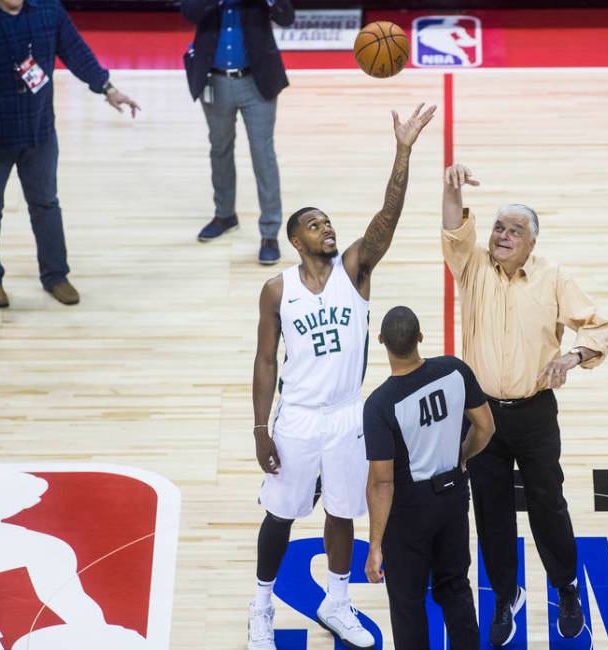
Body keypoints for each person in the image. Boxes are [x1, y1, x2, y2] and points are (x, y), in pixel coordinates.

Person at [248, 103, 436, 650]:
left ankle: (337, 599)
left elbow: (388, 216)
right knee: (280, 517)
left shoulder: (355, 271)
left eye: (328, 221)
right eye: (314, 224)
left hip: (347, 414)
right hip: (298, 418)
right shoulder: (277, 290)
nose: (326, 227)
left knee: (341, 513)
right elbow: (264, 361)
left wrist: (402, 151)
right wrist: (261, 429)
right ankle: (260, 608)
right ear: (296, 240)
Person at [440, 163, 608, 645]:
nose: (502, 234)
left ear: (532, 243)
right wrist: (451, 190)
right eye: (498, 226)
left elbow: (601, 327)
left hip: (536, 414)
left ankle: (566, 585)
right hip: (480, 416)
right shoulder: (472, 267)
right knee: (491, 511)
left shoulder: (553, 278)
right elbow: (454, 229)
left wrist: (573, 356)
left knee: (548, 505)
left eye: (515, 230)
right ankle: (503, 595)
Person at [0, 0, 140, 309]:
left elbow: (77, 52)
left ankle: (55, 275)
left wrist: (106, 87)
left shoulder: (49, 10)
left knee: (46, 204)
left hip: (39, 133)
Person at [363, 306, 494, 650]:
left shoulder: (381, 404)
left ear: (381, 342)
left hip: (410, 509)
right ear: (420, 337)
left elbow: (382, 482)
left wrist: (375, 545)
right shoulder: (454, 370)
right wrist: (463, 455)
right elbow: (486, 427)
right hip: (452, 497)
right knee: (455, 587)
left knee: (407, 603)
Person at [0, 471, 147, 649]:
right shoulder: (32, 544)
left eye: (6, 498)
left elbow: (69, 600)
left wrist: (100, 634)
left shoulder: (32, 544)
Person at [181, 0, 294, 264]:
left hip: (257, 82)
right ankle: (224, 215)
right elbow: (189, 12)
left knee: (262, 153)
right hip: (215, 80)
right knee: (219, 148)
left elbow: (287, 17)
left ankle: (269, 233)